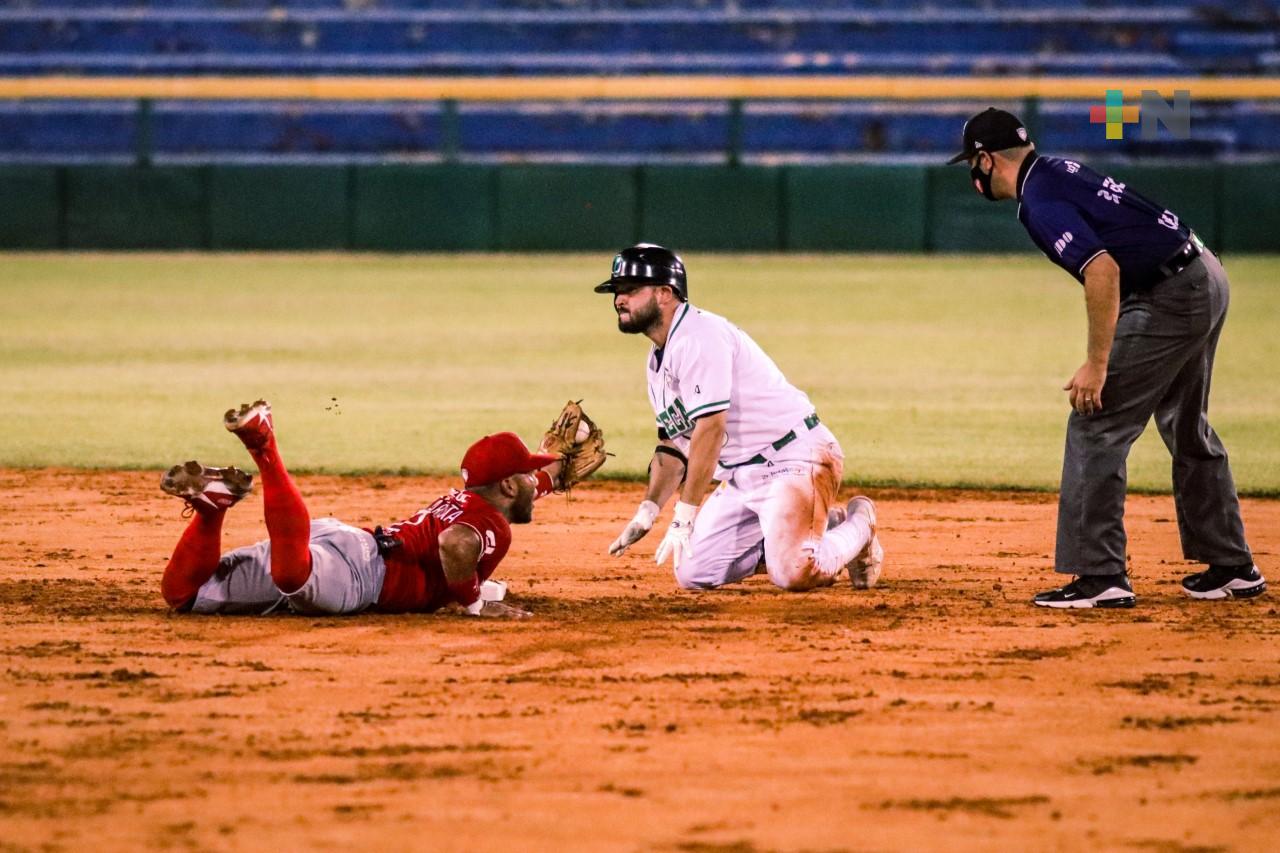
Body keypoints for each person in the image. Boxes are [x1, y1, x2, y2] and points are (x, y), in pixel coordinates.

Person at [948, 107, 1264, 608]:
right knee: (1186, 423)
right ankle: (1232, 565)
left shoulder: (1039, 199)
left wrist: (1097, 365)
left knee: (1096, 423)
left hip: (1172, 291)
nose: (971, 173)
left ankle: (1101, 576)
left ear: (986, 160)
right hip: (1200, 272)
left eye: (971, 162)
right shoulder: (1056, 170)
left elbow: (1102, 270)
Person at [596, 243, 883, 592]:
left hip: (793, 457)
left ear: (665, 293)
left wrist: (685, 515)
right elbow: (672, 446)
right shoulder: (657, 360)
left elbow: (711, 430)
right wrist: (648, 510)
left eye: (630, 290)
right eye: (617, 292)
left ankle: (859, 524)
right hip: (743, 476)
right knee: (693, 573)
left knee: (793, 572)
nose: (619, 300)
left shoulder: (699, 337)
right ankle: (815, 527)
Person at [158, 399, 562, 618]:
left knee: (183, 594)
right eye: (529, 475)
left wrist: (551, 476)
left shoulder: (473, 499)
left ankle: (212, 509)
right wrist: (474, 603)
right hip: (362, 578)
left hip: (345, 540)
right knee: (292, 579)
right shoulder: (490, 523)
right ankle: (264, 448)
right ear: (508, 484)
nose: (533, 481)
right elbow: (456, 544)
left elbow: (507, 500)